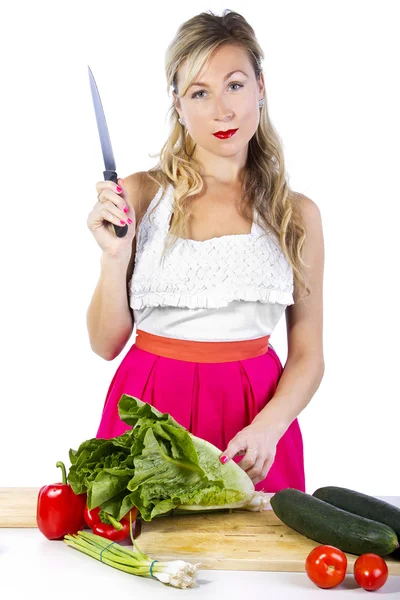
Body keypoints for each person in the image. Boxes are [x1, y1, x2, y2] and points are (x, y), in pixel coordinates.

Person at [86, 9, 325, 493]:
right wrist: (115, 258)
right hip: (149, 416)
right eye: (199, 92)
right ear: (177, 103)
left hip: (253, 419)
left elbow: (309, 355)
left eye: (234, 85)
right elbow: (104, 343)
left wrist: (270, 426)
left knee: (256, 561)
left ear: (261, 86)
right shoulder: (139, 195)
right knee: (144, 561)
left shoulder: (296, 214)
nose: (223, 110)